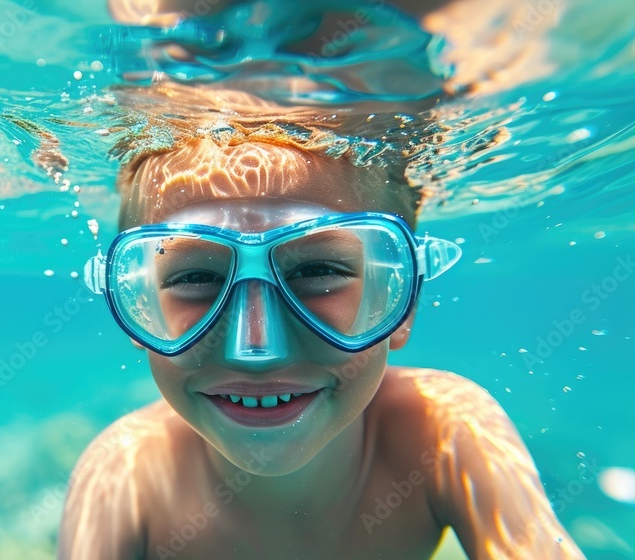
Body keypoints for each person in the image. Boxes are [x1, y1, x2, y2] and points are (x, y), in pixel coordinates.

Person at [56, 83, 585, 559]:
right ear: (137, 308)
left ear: (400, 300)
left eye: (317, 271)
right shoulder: (123, 474)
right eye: (195, 278)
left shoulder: (444, 431)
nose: (255, 349)